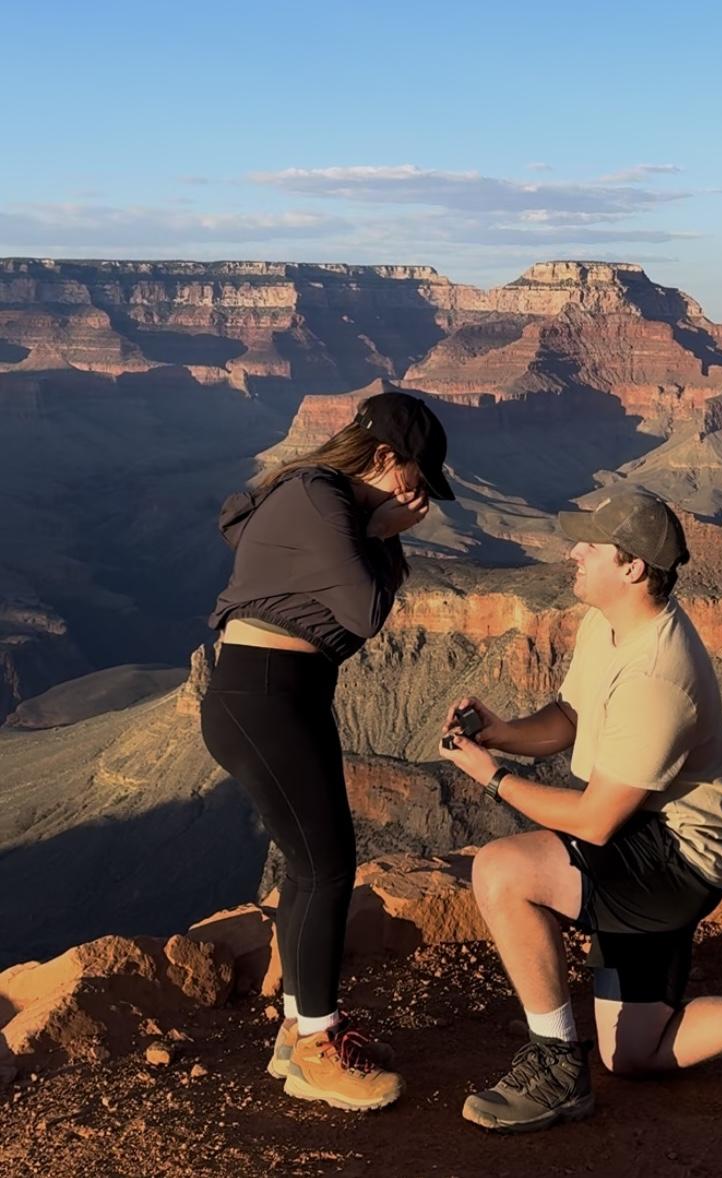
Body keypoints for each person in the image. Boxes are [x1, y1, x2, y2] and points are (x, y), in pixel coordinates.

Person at [439, 487, 722, 1134]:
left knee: (501, 870)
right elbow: (570, 719)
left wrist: (491, 777)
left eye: (591, 544)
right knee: (634, 1052)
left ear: (634, 568)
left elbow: (593, 823)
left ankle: (557, 1069)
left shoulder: (659, 675)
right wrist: (499, 734)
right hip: (641, 838)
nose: (573, 551)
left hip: (673, 862)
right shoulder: (605, 623)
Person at [201, 386, 455, 1112]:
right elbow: (365, 611)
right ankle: (315, 1044)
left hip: (288, 691)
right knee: (325, 863)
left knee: (318, 861)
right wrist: (376, 529)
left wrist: (373, 527)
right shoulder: (320, 496)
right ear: (384, 457)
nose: (419, 496)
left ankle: (299, 1033)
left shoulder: (325, 502)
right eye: (415, 477)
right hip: (264, 693)